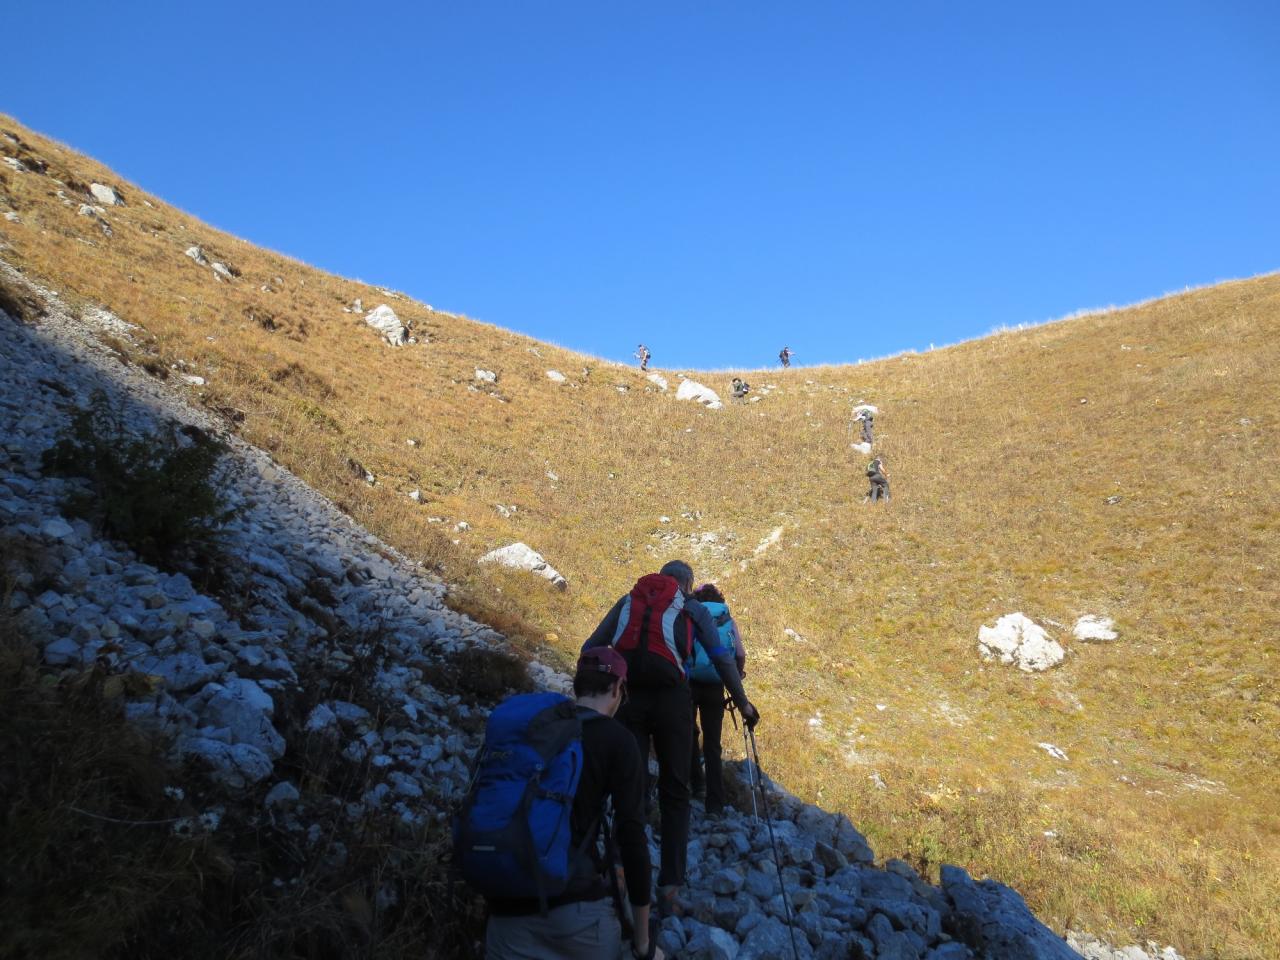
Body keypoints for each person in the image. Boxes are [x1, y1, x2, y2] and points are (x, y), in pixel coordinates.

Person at [582, 560, 759, 914]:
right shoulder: (691, 608)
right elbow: (723, 659)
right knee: (675, 790)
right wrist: (743, 703)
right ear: (688, 584)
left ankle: (619, 870)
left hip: (630, 698)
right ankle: (670, 887)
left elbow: (592, 646)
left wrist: (592, 698)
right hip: (674, 701)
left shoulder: (629, 601)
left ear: (661, 579)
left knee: (627, 786)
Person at [485, 648, 663, 960]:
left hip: (505, 909)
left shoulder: (538, 728)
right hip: (576, 914)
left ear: (577, 684)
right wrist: (643, 942)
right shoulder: (618, 740)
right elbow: (632, 838)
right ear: (617, 688)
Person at [687, 583, 746, 816]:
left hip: (689, 682)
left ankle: (695, 785)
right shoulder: (727, 619)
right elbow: (739, 654)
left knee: (689, 734)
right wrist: (737, 676)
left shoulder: (690, 615)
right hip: (716, 684)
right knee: (713, 744)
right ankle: (715, 803)